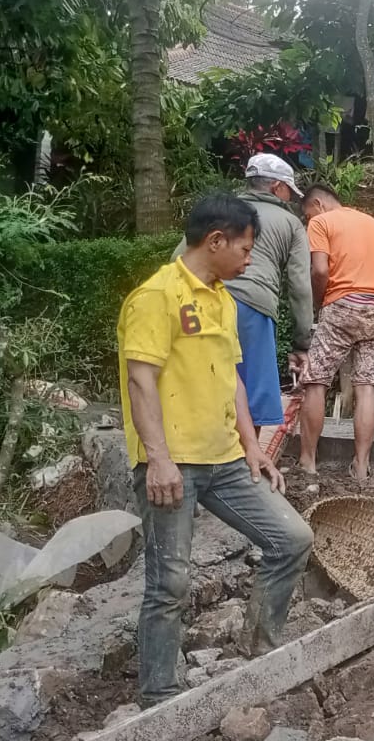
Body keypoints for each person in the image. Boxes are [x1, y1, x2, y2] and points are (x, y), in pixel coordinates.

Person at [119, 195, 314, 707]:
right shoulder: (154, 296)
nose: (250, 259)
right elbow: (142, 381)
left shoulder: (223, 299)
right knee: (170, 583)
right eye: (246, 249)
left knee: (292, 538)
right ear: (216, 242)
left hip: (225, 459)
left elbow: (231, 380)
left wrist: (254, 448)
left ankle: (261, 646)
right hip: (172, 463)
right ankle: (158, 696)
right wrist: (158, 458)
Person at [173, 153, 313, 431]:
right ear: (276, 187)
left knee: (204, 385)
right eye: (289, 191)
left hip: (202, 301)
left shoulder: (222, 214)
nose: (291, 199)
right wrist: (301, 342)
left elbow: (180, 257)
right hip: (253, 308)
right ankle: (246, 468)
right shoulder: (290, 223)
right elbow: (300, 286)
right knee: (251, 398)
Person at [296, 184, 374, 481]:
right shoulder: (373, 223)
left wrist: (319, 303)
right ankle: (361, 467)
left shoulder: (321, 222)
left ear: (318, 204)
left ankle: (307, 462)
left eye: (307, 213)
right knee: (366, 385)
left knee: (315, 380)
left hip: (344, 303)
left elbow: (320, 271)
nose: (306, 220)